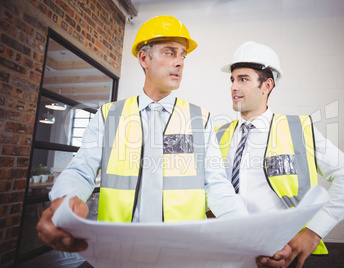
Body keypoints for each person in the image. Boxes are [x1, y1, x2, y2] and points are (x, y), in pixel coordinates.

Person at [36, 15, 248, 253]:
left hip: (183, 252)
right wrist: (65, 201)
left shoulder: (200, 119)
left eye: (183, 55)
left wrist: (248, 233)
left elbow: (216, 184)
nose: (179, 62)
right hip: (117, 251)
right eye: (170, 52)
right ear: (144, 58)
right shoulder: (109, 116)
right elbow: (81, 169)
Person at [215, 41, 344, 268]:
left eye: (243, 79)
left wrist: (313, 232)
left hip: (281, 252)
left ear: (267, 85)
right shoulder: (218, 135)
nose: (233, 87)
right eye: (232, 80)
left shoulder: (299, 129)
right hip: (227, 250)